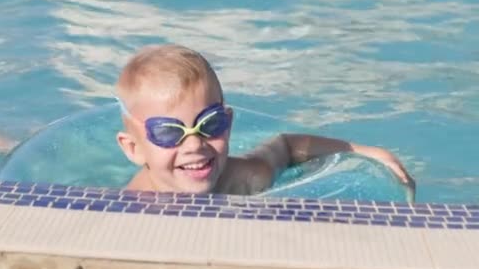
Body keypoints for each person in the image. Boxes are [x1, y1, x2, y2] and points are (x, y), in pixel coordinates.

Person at [115, 44, 415, 196]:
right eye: (168, 132)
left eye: (210, 124)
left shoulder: (243, 177)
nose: (194, 144)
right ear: (133, 149)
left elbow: (285, 147)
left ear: (228, 123)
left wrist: (360, 150)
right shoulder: (131, 207)